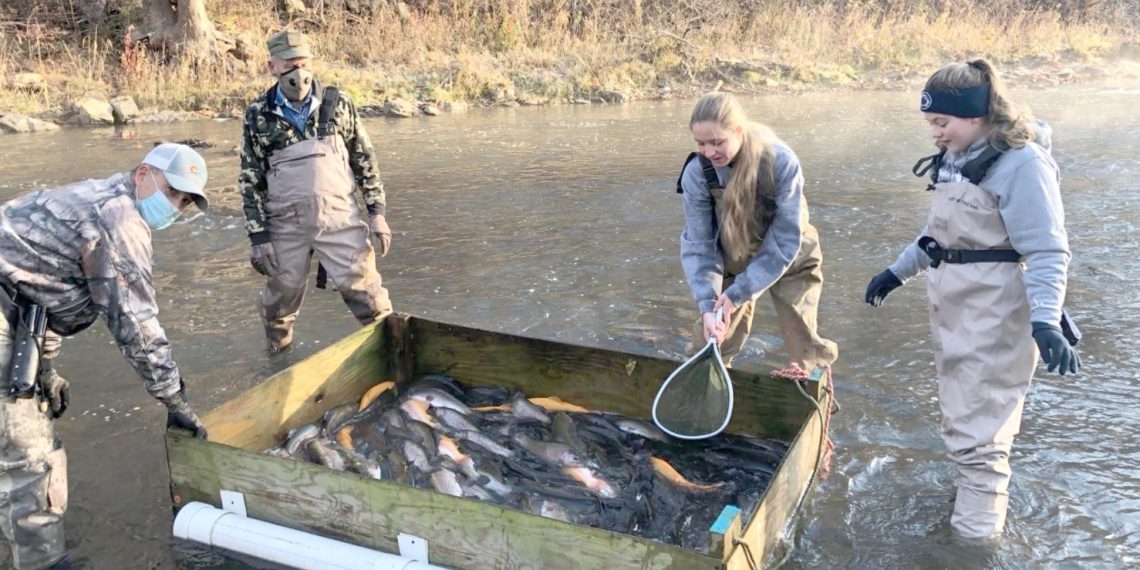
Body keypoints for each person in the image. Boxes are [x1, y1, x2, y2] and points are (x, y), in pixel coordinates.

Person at [864, 59, 1081, 540]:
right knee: (962, 415)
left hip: (996, 313)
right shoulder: (959, 157)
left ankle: (973, 545)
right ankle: (968, 501)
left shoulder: (1023, 165)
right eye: (930, 124)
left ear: (976, 115)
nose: (935, 134)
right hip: (956, 308)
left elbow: (1047, 250)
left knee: (983, 435)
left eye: (941, 123)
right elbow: (939, 233)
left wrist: (1044, 321)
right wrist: (897, 272)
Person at [0, 143, 211, 569]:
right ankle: (42, 563)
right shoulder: (120, 219)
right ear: (143, 175)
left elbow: (42, 291)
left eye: (185, 201)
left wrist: (47, 369)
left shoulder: (102, 194)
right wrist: (175, 402)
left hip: (16, 314)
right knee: (30, 452)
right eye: (172, 192)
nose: (175, 207)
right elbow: (135, 323)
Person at [239, 30, 393, 354]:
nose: (299, 71)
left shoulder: (338, 102)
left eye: (304, 62)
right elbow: (250, 179)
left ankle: (393, 355)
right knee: (280, 300)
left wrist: (377, 213)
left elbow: (365, 158)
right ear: (272, 66)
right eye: (290, 63)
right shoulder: (258, 114)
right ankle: (278, 363)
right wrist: (258, 237)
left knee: (368, 294)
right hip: (285, 225)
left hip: (339, 219)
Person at [679, 91, 838, 375]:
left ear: (738, 131)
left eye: (717, 142)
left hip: (791, 255)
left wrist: (741, 292)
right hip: (734, 253)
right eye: (700, 143)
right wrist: (708, 305)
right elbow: (700, 245)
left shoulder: (781, 163)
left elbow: (785, 241)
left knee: (805, 351)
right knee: (712, 339)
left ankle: (811, 393)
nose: (709, 152)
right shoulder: (697, 173)